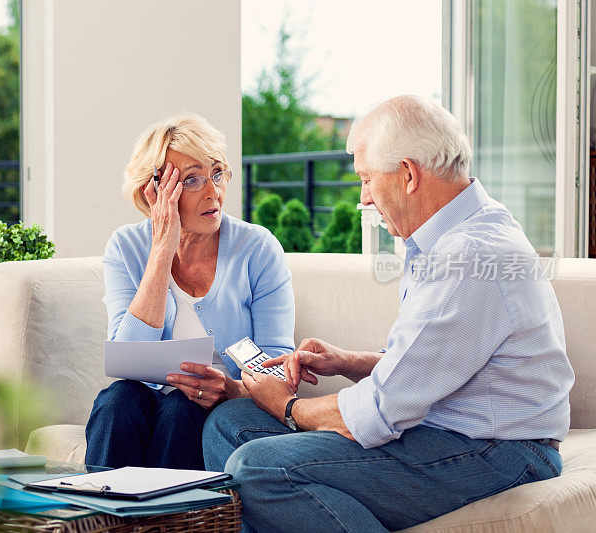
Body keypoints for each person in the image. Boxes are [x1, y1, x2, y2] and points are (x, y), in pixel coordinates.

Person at [202, 95, 575, 532]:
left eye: (366, 179)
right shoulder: (451, 235)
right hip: (449, 429)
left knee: (258, 467)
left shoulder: (468, 255)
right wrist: (348, 362)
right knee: (230, 423)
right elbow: (431, 367)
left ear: (408, 174)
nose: (363, 198)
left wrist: (285, 405)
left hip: (498, 451)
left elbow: (381, 410)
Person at [85, 112, 295, 470]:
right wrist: (162, 251)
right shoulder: (125, 246)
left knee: (183, 407)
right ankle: (99, 518)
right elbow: (127, 358)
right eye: (193, 180)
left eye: (217, 173)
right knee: (119, 399)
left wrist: (230, 388)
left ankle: (171, 521)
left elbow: (279, 374)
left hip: (218, 408)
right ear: (153, 192)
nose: (214, 192)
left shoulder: (257, 248)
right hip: (140, 404)